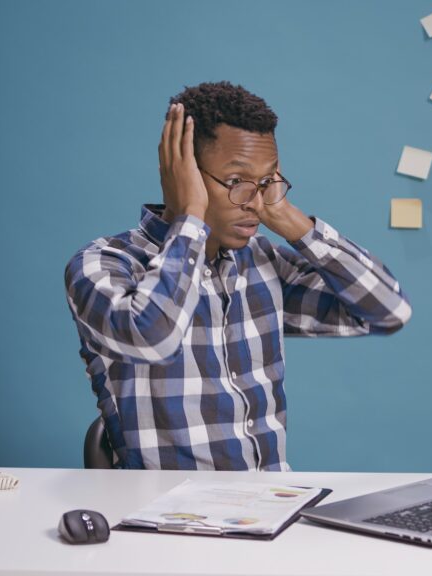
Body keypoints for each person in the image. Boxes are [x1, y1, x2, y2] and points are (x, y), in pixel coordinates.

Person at [65, 81, 411, 470]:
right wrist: (190, 217)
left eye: (264, 183)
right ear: (184, 175)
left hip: (269, 508)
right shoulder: (104, 264)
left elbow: (388, 310)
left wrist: (289, 219)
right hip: (166, 519)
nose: (254, 202)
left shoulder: (260, 263)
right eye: (236, 182)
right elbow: (153, 339)